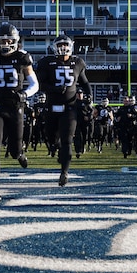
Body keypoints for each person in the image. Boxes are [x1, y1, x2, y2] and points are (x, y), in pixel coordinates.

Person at [0, 22, 39, 204]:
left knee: (14, 150)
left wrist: (24, 94)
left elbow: (35, 84)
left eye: (8, 40)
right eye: (2, 40)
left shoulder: (23, 58)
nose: (5, 43)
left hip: (16, 107)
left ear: (15, 41)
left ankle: (20, 154)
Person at [35, 34, 91, 187]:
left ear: (70, 47)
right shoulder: (46, 63)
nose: (63, 48)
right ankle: (56, 146)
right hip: (52, 105)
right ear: (55, 48)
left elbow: (85, 82)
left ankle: (64, 172)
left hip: (70, 107)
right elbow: (40, 83)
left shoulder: (78, 62)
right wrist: (54, 89)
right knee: (50, 136)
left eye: (65, 45)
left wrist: (89, 95)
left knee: (67, 140)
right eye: (60, 45)